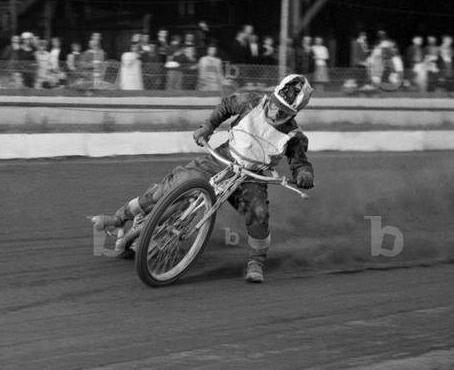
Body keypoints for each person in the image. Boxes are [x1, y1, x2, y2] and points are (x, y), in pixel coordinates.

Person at [92, 74, 315, 284]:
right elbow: (226, 106)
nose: (276, 112)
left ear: (295, 113)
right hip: (223, 158)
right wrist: (207, 127)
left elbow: (300, 162)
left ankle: (256, 262)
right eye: (276, 104)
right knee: (175, 184)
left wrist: (303, 174)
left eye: (284, 111)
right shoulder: (251, 101)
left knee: (258, 214)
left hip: (251, 176)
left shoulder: (294, 136)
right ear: (274, 95)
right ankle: (119, 217)